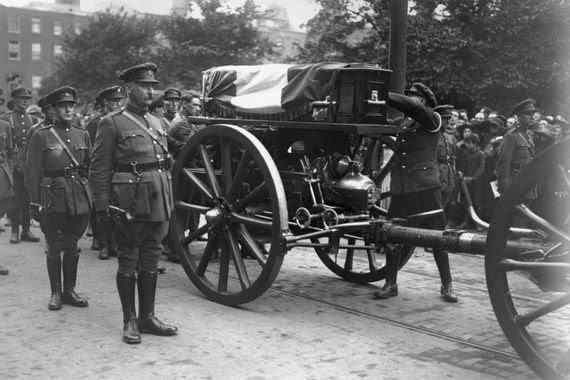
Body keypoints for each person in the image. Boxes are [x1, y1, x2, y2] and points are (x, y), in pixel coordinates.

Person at [89, 62, 178, 344]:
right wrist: (103, 208)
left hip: (158, 199)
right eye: (145, 85)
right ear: (129, 88)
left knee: (151, 257)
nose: (151, 91)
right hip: (128, 202)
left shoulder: (158, 122)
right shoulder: (112, 122)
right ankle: (129, 320)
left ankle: (147, 317)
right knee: (128, 259)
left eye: (153, 86)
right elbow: (98, 168)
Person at [372, 82, 458, 303]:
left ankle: (447, 285)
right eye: (408, 96)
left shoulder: (432, 119)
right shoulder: (404, 122)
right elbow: (381, 124)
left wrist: (383, 93)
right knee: (392, 235)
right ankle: (390, 284)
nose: (410, 99)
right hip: (401, 188)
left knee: (438, 237)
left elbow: (414, 109)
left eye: (414, 97)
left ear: (425, 103)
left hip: (425, 187)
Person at [25, 86, 91, 311]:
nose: (68, 109)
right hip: (53, 198)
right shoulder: (40, 136)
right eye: (63, 106)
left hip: (77, 197)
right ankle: (55, 292)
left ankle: (69, 290)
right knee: (54, 246)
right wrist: (34, 202)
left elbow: (88, 167)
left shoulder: (82, 134)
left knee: (72, 246)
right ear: (53, 110)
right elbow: (32, 172)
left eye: (71, 105)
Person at [85, 85, 126, 260]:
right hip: (102, 169)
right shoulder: (95, 123)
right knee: (100, 208)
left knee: (116, 207)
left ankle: (113, 243)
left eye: (119, 100)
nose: (117, 104)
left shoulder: (123, 121)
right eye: (114, 101)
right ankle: (102, 244)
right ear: (105, 103)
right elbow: (89, 148)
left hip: (118, 171)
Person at [0, 87, 40, 244]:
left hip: (29, 163)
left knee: (29, 197)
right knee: (15, 198)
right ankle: (15, 231)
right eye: (22, 98)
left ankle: (26, 230)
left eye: (27, 99)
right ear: (15, 99)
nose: (25, 101)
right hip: (14, 164)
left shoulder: (33, 120)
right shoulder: (6, 118)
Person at [496, 99, 537, 196]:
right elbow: (504, 164)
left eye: (533, 114)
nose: (532, 117)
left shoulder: (530, 134)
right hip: (515, 182)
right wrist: (504, 189)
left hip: (529, 182)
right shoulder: (510, 136)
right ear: (518, 116)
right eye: (528, 114)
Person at [433, 105, 458, 229]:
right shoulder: (432, 136)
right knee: (436, 207)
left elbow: (453, 158)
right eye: (444, 118)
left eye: (449, 118)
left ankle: (439, 232)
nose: (447, 121)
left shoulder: (450, 137)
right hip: (437, 174)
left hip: (448, 176)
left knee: (445, 205)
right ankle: (433, 234)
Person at [456, 133, 485, 230]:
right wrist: (463, 176)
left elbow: (481, 168)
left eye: (469, 143)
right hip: (466, 183)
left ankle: (478, 223)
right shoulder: (465, 153)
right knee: (467, 203)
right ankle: (466, 222)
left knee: (477, 203)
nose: (467, 145)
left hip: (477, 183)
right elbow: (463, 166)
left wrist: (473, 178)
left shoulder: (481, 154)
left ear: (475, 144)